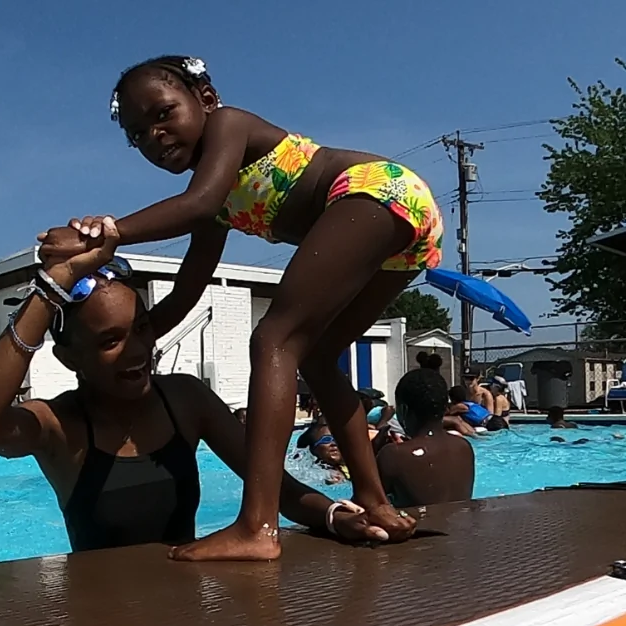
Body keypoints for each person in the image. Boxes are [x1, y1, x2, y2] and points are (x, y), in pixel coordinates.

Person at [42, 55, 442, 561]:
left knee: (273, 339)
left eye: (164, 114)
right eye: (138, 134)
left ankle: (257, 525)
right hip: (403, 219)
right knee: (317, 356)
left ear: (206, 100)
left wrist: (105, 233)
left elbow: (197, 203)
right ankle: (375, 501)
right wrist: (137, 339)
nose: (155, 136)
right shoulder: (217, 199)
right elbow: (188, 289)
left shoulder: (228, 128)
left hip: (376, 191)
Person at [0, 225, 408, 554]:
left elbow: (276, 488)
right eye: (110, 341)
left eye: (141, 328)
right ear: (69, 359)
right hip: (98, 625)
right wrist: (52, 287)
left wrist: (334, 517)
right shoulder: (59, 426)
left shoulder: (185, 400)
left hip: (186, 613)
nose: (137, 349)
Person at [376, 366, 475, 507]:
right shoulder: (464, 447)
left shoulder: (392, 455)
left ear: (403, 410)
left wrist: (372, 453)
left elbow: (366, 502)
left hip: (420, 529)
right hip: (461, 527)